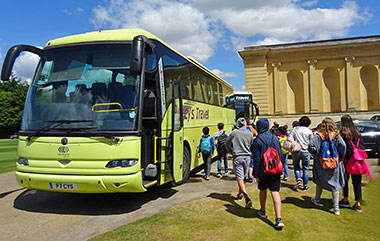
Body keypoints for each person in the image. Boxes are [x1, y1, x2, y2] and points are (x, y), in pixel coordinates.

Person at [308, 117, 346, 215]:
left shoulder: (318, 135)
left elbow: (311, 146)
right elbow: (343, 146)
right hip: (334, 163)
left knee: (320, 182)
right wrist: (340, 156)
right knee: (335, 185)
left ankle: (316, 200)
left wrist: (316, 154)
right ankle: (336, 208)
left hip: (321, 163)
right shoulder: (336, 135)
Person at [251, 118, 284, 229]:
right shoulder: (275, 138)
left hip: (263, 170)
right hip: (275, 169)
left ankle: (263, 210)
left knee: (263, 190)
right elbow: (280, 154)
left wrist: (255, 174)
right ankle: (278, 218)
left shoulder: (256, 141)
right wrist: (282, 169)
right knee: (275, 192)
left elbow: (256, 159)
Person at [339, 114, 364, 212]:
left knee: (345, 180)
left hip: (347, 160)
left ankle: (345, 199)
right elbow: (362, 145)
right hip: (357, 160)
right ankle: (358, 202)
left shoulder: (343, 134)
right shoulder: (357, 133)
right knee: (357, 182)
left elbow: (342, 147)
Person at [225, 117, 253, 209]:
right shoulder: (250, 133)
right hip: (247, 156)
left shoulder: (234, 133)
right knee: (243, 177)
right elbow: (251, 144)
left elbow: (227, 143)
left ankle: (246, 197)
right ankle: (240, 194)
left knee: (239, 177)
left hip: (237, 156)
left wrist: (230, 150)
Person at [290, 116, 313, 190]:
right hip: (306, 151)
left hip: (296, 150)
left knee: (296, 166)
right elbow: (311, 142)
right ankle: (305, 185)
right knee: (306, 168)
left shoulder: (295, 129)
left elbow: (291, 137)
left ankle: (299, 180)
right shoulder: (309, 131)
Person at [245, 117, 257, 183]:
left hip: (243, 148)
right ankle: (250, 176)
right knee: (251, 162)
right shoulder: (251, 129)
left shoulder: (240, 129)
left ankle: (245, 176)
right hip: (251, 147)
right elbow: (256, 135)